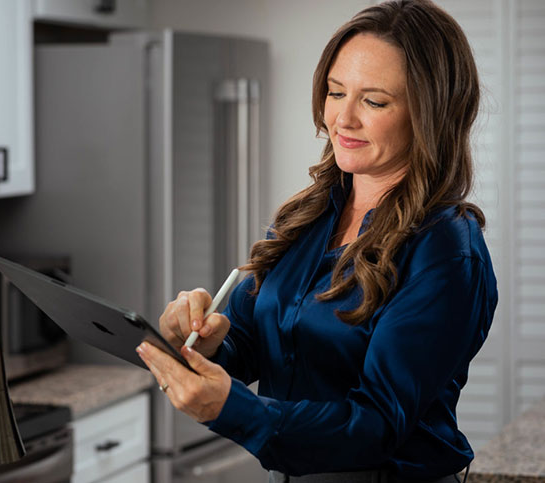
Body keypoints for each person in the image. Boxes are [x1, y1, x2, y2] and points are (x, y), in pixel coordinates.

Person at [135, 1, 497, 482]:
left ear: (430, 114)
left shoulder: (445, 248)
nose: (341, 119)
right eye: (334, 92)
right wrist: (200, 342)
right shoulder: (310, 214)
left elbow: (377, 424)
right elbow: (249, 342)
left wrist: (234, 410)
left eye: (374, 101)